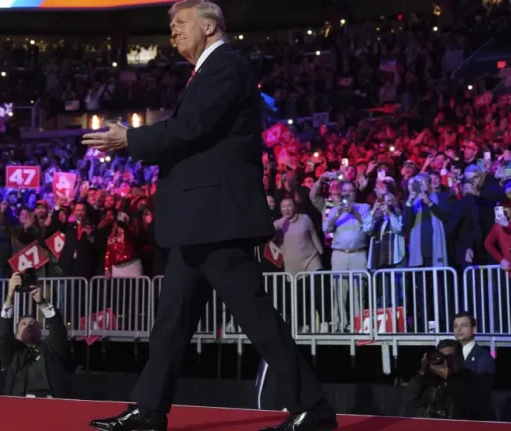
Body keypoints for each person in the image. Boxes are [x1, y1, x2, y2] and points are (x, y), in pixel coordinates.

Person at [82, 1, 335, 430]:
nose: (173, 33)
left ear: (211, 25)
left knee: (256, 316)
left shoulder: (227, 66)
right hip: (196, 221)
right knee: (170, 324)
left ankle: (312, 407)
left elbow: (191, 128)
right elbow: (191, 138)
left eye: (180, 24)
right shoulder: (207, 72)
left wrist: (132, 139)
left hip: (218, 220)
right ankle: (148, 409)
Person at [0, 272, 68, 398]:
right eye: (23, 324)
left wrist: (42, 302)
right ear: (17, 334)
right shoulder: (13, 354)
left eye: (32, 323)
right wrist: (10, 295)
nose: (29, 325)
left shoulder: (51, 349)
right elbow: (3, 335)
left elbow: (58, 330)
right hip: (20, 405)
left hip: (52, 404)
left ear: (40, 331)